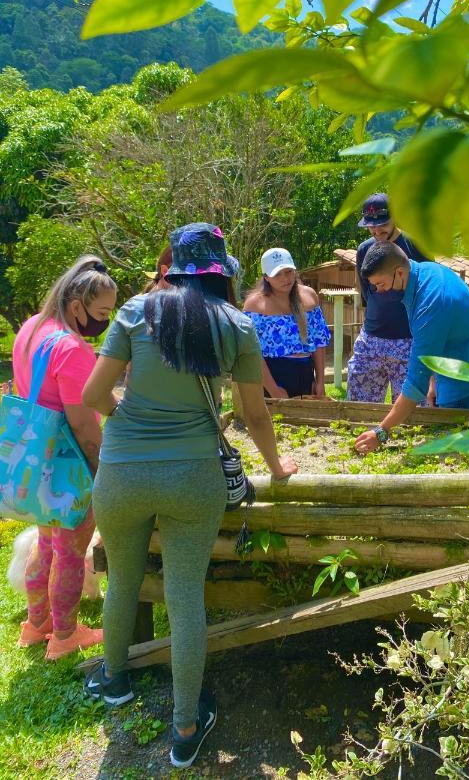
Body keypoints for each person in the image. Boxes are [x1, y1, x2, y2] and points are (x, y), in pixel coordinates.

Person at [81, 222, 297, 771]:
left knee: (123, 577)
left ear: (173, 268)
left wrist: (128, 426)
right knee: (183, 595)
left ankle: (114, 682)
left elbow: (92, 395)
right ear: (221, 273)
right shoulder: (237, 324)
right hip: (193, 477)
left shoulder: (134, 312)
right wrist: (277, 466)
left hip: (121, 474)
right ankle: (184, 728)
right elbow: (252, 415)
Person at [11, 255, 117, 659]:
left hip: (36, 458)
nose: (105, 321)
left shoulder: (32, 328)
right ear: (77, 306)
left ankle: (36, 625)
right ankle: (65, 635)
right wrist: (101, 467)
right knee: (72, 550)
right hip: (67, 463)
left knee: (46, 542)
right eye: (102, 312)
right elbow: (84, 425)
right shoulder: (72, 348)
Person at [354, 242, 469, 455]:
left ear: (399, 272)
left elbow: (415, 384)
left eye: (381, 284)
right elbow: (432, 347)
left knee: (455, 451)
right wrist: (433, 384)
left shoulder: (430, 304)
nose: (379, 291)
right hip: (450, 367)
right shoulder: (422, 273)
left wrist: (381, 432)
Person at [348, 193, 432, 403]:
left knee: (411, 418)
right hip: (371, 339)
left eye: (382, 224)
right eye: (370, 226)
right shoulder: (364, 250)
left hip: (409, 341)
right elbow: (367, 294)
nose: (376, 230)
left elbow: (430, 297)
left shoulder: (418, 246)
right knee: (358, 408)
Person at [243, 247, 331, 399]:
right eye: (277, 274)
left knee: (306, 421)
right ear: (266, 277)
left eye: (289, 271)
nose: (285, 278)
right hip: (272, 375)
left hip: (305, 372)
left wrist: (320, 381)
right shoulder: (255, 305)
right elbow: (252, 352)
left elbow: (318, 341)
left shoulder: (309, 296)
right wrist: (273, 389)